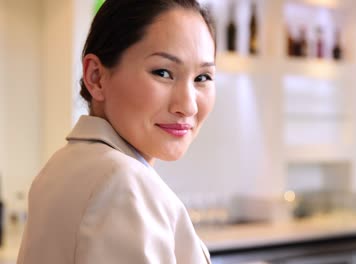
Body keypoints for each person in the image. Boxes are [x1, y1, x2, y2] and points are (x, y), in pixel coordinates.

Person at [17, 0, 216, 263]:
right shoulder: (124, 183)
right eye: (163, 72)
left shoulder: (61, 167)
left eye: (202, 78)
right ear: (96, 77)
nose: (188, 106)